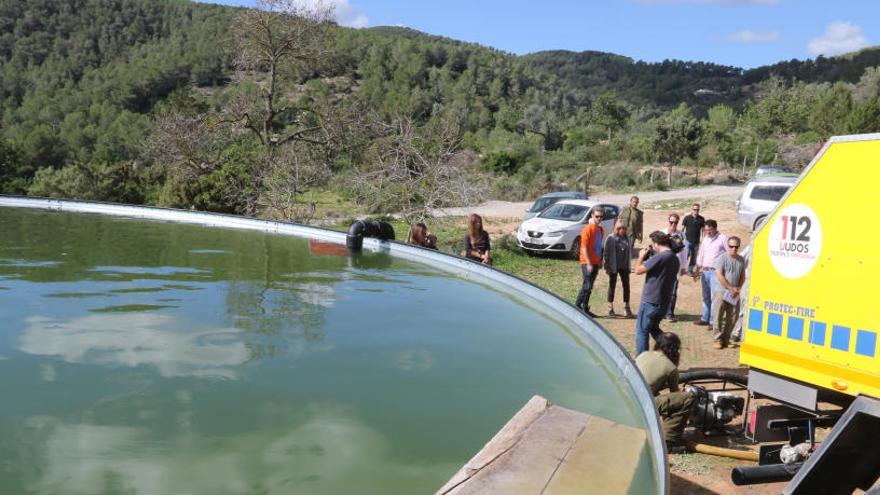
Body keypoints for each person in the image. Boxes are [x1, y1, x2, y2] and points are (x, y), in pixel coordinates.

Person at [635, 332, 695, 450]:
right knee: (687, 398)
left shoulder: (643, 354)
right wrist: (681, 392)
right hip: (641, 404)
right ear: (675, 350)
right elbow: (675, 395)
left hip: (629, 398)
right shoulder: (670, 368)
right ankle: (669, 440)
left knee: (656, 394)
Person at [634, 231, 680, 355]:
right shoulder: (674, 258)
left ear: (656, 244)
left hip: (651, 301)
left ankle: (642, 361)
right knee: (653, 328)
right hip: (664, 302)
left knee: (642, 331)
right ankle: (670, 349)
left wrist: (640, 257)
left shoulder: (660, 257)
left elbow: (637, 270)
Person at [693, 220, 728, 329]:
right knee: (706, 296)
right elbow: (701, 254)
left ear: (715, 228)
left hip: (716, 272)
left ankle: (713, 321)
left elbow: (729, 254)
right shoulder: (705, 239)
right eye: (706, 230)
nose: (708, 232)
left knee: (714, 297)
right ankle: (705, 318)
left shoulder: (723, 239)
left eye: (710, 230)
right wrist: (697, 269)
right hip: (705, 271)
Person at [712, 236, 746, 349]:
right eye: (731, 246)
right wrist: (729, 287)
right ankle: (717, 339)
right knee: (718, 315)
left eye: (736, 246)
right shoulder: (721, 258)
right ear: (728, 246)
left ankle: (726, 339)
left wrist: (738, 288)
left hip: (734, 293)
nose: (734, 249)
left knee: (733, 317)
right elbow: (719, 275)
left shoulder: (741, 259)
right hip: (721, 292)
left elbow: (742, 276)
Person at [575, 205, 605, 317]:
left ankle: (585, 308)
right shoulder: (587, 229)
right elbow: (584, 248)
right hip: (587, 262)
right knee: (586, 286)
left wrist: (600, 259)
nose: (599, 219)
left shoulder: (600, 229)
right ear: (592, 215)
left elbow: (598, 246)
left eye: (601, 217)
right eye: (597, 216)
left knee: (589, 286)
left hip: (595, 262)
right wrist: (588, 263)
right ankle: (577, 307)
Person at [603, 222, 633, 318]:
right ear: (616, 228)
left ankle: (626, 307)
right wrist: (607, 267)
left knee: (626, 286)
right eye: (620, 228)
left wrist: (629, 266)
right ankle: (610, 307)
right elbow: (606, 253)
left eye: (624, 228)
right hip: (613, 266)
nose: (622, 230)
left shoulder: (628, 238)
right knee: (612, 286)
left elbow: (629, 253)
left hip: (624, 267)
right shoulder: (610, 238)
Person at [663, 213, 688, 322]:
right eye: (671, 222)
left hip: (675, 268)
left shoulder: (681, 235)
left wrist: (683, 266)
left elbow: (684, 252)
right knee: (661, 291)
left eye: (675, 222)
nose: (673, 224)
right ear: (668, 221)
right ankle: (661, 312)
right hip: (663, 268)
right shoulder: (662, 233)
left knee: (673, 292)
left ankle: (669, 313)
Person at [681, 203, 705, 275]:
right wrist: (681, 238)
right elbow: (682, 228)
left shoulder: (701, 219)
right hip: (687, 241)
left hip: (696, 242)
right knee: (685, 255)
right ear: (692, 209)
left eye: (697, 209)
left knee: (694, 257)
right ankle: (681, 269)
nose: (696, 211)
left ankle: (690, 270)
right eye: (694, 209)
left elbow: (703, 230)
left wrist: (704, 239)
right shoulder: (687, 218)